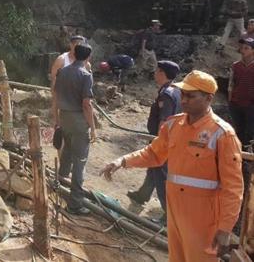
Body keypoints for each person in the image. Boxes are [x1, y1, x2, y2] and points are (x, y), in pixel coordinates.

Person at [100, 70, 244, 262]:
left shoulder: (222, 134)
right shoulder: (174, 125)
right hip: (175, 212)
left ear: (208, 98)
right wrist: (122, 161)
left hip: (203, 220)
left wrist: (225, 228)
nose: (183, 100)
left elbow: (233, 188)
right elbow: (153, 153)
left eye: (191, 96)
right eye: (183, 94)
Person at [127, 61, 182, 216]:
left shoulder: (167, 95)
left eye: (157, 71)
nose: (154, 73)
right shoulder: (175, 90)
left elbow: (164, 121)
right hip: (169, 139)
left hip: (164, 140)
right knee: (153, 168)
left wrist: (158, 142)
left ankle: (168, 214)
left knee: (162, 176)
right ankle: (143, 194)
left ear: (162, 73)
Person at [51, 43, 97, 215]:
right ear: (88, 57)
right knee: (80, 161)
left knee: (67, 153)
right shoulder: (85, 75)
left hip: (64, 117)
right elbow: (87, 104)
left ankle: (60, 185)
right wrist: (92, 128)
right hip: (78, 120)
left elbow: (55, 95)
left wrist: (56, 118)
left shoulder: (63, 71)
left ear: (74, 54)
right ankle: (75, 203)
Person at [228, 37, 254, 150]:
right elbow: (231, 83)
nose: (242, 50)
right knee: (238, 131)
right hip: (236, 103)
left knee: (250, 132)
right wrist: (230, 100)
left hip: (251, 104)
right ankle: (239, 156)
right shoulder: (235, 65)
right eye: (242, 48)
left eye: (246, 48)